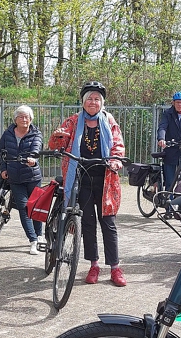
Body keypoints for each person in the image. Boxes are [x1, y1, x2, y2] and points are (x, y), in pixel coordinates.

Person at [49, 81, 127, 286]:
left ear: (102, 103)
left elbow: (118, 144)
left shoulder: (109, 120)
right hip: (81, 178)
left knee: (108, 223)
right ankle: (94, 265)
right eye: (89, 98)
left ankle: (115, 268)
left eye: (97, 99)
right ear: (83, 102)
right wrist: (58, 138)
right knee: (88, 223)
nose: (93, 102)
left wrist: (116, 160)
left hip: (106, 179)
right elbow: (56, 144)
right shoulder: (73, 121)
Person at [0, 105, 44, 255]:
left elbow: (36, 148)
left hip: (33, 177)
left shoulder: (36, 133)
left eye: (27, 117)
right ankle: (33, 240)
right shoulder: (8, 134)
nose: (24, 119)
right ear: (15, 119)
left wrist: (33, 159)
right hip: (15, 178)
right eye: (21, 117)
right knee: (24, 208)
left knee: (35, 207)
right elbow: (1, 153)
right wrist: (3, 169)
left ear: (31, 119)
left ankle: (40, 235)